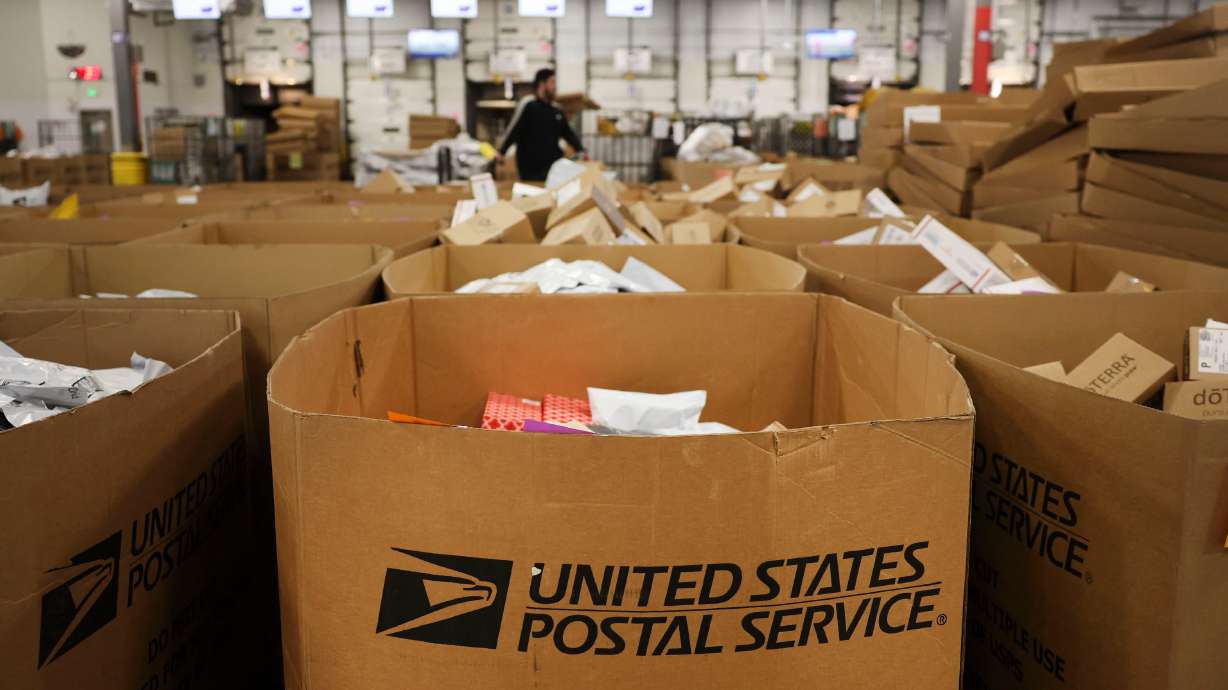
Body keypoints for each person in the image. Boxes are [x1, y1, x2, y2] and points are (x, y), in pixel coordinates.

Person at [496, 68, 586, 183]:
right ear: (542, 84)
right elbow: (514, 130)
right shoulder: (529, 106)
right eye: (552, 82)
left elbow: (568, 133)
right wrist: (502, 151)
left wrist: (581, 150)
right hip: (530, 168)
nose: (555, 87)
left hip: (553, 167)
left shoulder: (556, 110)